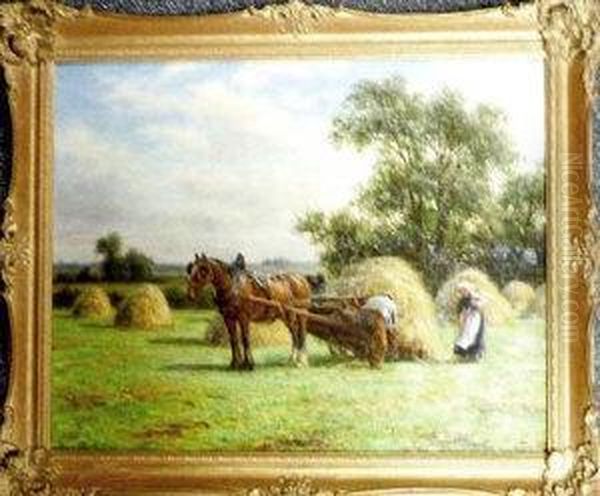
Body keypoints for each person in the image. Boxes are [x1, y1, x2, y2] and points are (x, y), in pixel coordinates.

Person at [453, 284, 486, 362]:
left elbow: (481, 304)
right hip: (466, 322)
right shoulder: (462, 301)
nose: (463, 292)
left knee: (476, 337)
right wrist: (461, 321)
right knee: (464, 337)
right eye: (461, 291)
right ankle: (464, 356)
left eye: (464, 290)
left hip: (475, 320)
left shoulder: (475, 297)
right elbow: (460, 313)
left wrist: (476, 304)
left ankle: (477, 356)